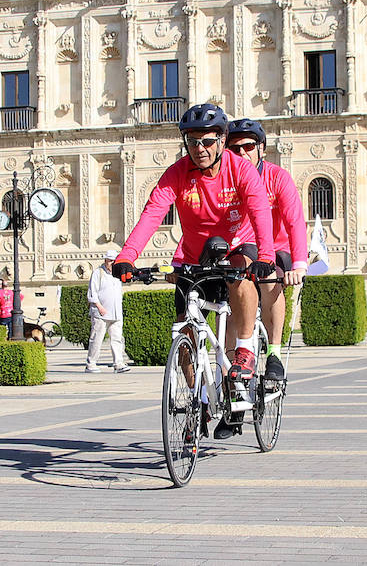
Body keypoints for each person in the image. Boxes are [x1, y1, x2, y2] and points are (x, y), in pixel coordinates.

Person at [114, 103, 274, 391]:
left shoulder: (241, 170)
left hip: (239, 244)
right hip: (194, 256)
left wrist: (266, 256)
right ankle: (197, 399)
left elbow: (261, 211)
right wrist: (127, 257)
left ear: (222, 141)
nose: (199, 148)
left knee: (241, 274)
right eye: (192, 141)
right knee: (184, 329)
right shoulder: (177, 173)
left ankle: (246, 348)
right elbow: (153, 213)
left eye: (207, 141)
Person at [225, 118, 307, 383]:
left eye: (248, 147)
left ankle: (274, 353)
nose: (241, 154)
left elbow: (295, 221)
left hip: (277, 247)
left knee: (270, 283)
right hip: (242, 247)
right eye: (234, 149)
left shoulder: (277, 177)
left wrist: (299, 265)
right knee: (230, 294)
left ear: (261, 148)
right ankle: (231, 368)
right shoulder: (226, 180)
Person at [85, 250, 129, 373]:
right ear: (105, 261)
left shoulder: (117, 275)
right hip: (101, 313)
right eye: (110, 260)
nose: (112, 263)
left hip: (116, 313)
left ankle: (118, 363)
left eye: (114, 261)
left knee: (117, 338)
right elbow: (92, 293)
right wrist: (100, 307)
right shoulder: (98, 273)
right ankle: (91, 363)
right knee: (97, 338)